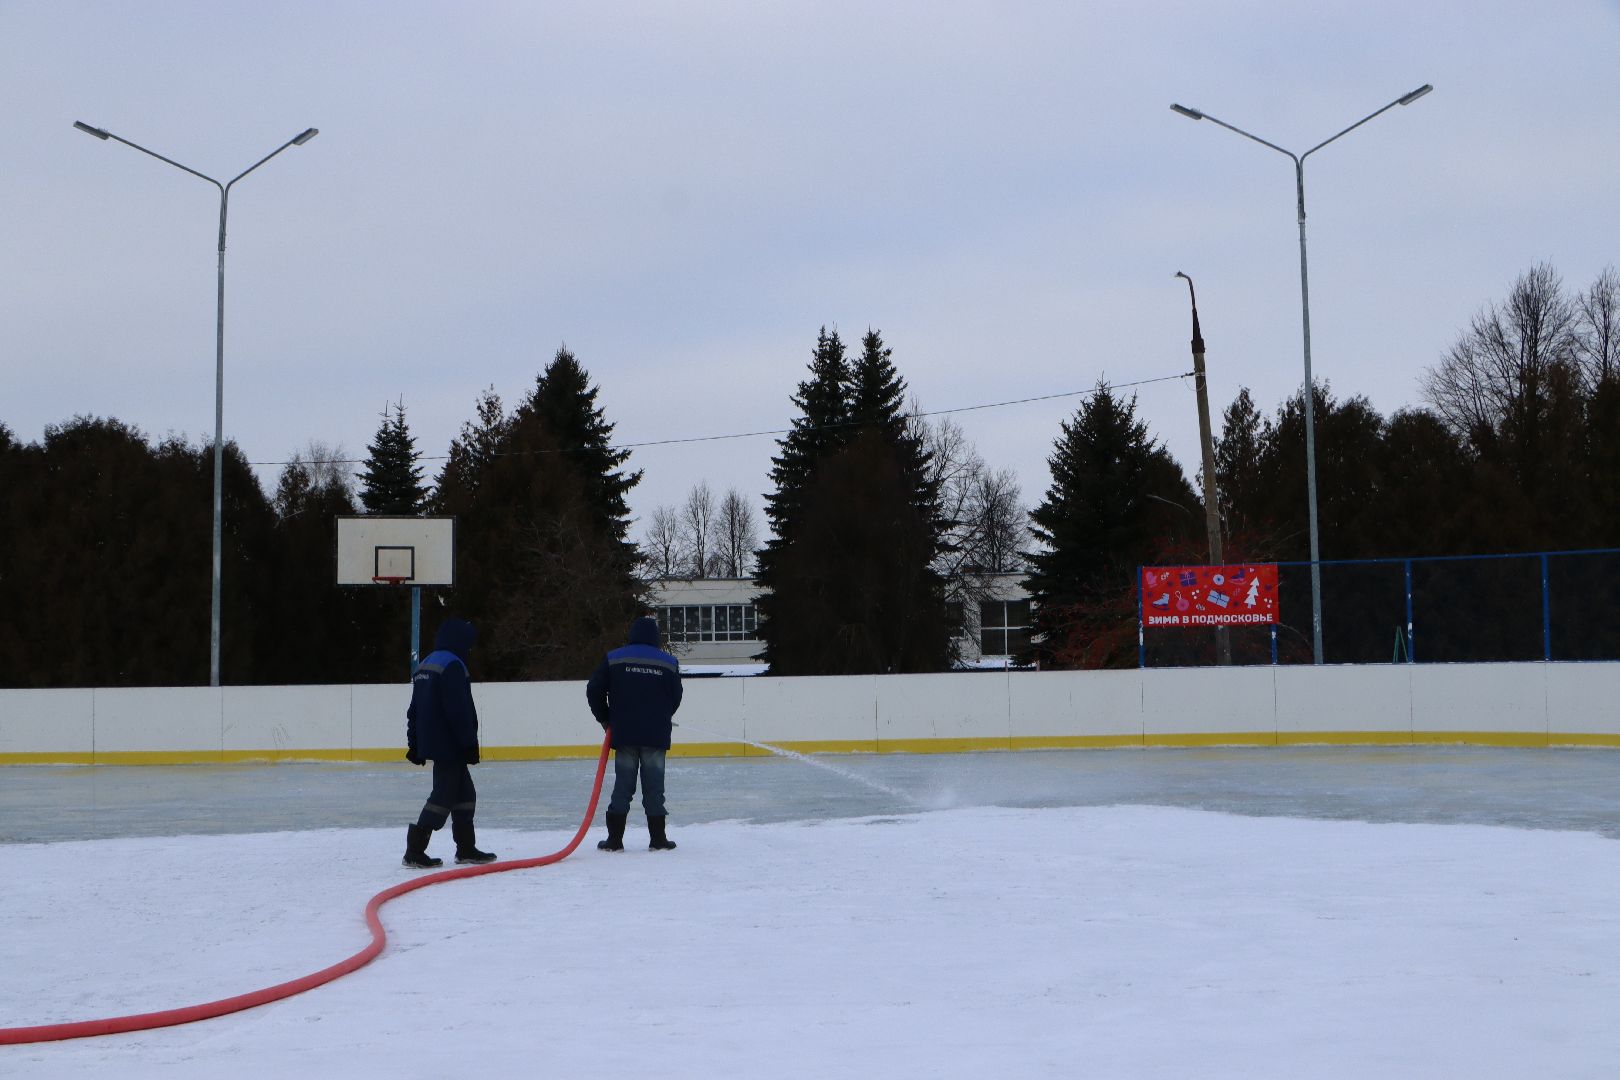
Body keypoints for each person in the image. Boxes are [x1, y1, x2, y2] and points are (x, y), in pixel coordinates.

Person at [403, 616, 495, 869]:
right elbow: (458, 710)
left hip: (434, 741)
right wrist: (469, 744)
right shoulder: (453, 665)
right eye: (468, 645)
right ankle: (414, 850)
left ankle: (466, 848)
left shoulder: (426, 664)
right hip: (450, 743)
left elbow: (414, 710)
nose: (470, 650)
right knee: (443, 795)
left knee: (465, 794)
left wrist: (414, 744)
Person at [586, 615, 683, 851]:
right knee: (654, 788)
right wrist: (661, 717)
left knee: (623, 786)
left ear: (632, 635)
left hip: (625, 734)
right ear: (656, 637)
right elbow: (676, 696)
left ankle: (614, 840)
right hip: (655, 736)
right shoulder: (669, 662)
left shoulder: (615, 658)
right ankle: (658, 839)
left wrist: (605, 718)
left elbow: (594, 689)